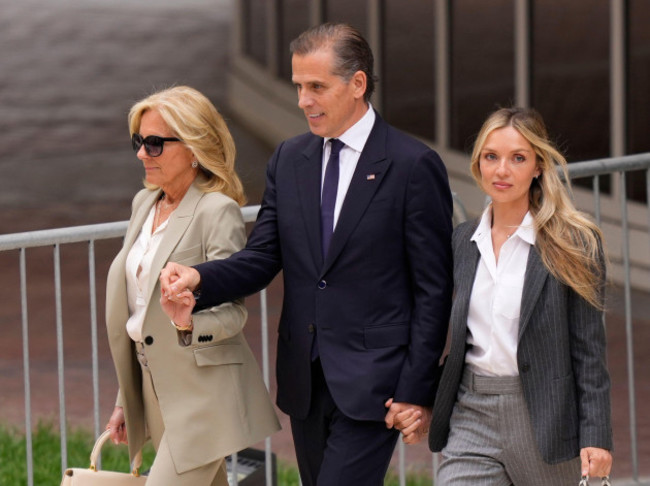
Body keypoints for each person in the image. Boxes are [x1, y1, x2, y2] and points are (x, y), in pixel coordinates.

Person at [159, 23, 453, 486]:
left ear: (357, 84)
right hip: (305, 377)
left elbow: (434, 291)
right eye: (298, 86)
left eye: (316, 86)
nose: (303, 100)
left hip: (375, 381)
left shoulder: (412, 166)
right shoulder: (289, 159)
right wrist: (200, 281)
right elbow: (262, 257)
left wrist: (416, 391)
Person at [416, 107, 612, 484]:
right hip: (472, 413)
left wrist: (597, 435)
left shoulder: (574, 244)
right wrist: (420, 398)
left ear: (538, 166)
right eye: (491, 157)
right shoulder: (462, 241)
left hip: (546, 419)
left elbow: (589, 352)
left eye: (517, 158)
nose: (502, 170)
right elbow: (457, 344)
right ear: (478, 163)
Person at [104, 86, 280, 486]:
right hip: (156, 390)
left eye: (154, 143)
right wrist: (124, 401)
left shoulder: (216, 210)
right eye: (139, 142)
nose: (141, 154)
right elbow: (139, 317)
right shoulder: (144, 203)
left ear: (195, 147)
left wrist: (187, 323)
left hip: (203, 395)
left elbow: (233, 310)